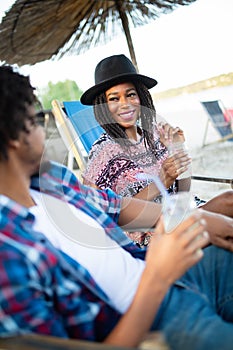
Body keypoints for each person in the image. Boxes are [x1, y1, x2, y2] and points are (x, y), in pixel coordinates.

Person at [1, 66, 233, 350]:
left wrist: (197, 214)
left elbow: (121, 205)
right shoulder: (9, 251)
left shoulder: (51, 178)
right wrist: (159, 275)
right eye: (36, 120)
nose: (45, 129)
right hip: (151, 311)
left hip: (164, 263)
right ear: (15, 135)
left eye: (131, 94)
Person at [81, 54, 233, 245]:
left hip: (183, 214)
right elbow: (109, 212)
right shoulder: (102, 153)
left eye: (130, 94)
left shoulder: (154, 135)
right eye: (114, 98)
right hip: (155, 235)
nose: (125, 104)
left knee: (230, 200)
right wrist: (161, 180)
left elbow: (182, 193)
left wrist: (177, 150)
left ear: (141, 97)